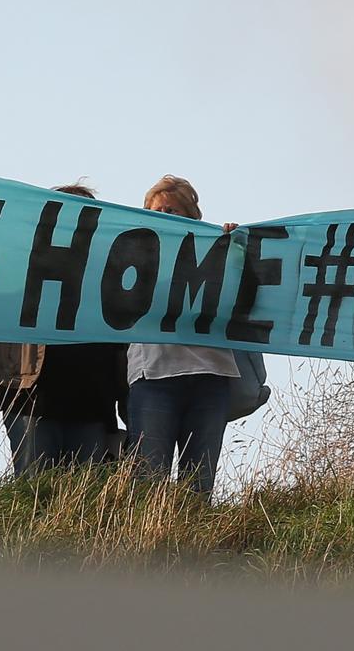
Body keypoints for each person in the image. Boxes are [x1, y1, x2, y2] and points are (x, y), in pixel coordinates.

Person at [0, 184, 128, 473]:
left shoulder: (109, 274)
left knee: (85, 505)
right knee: (34, 495)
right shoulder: (18, 270)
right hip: (31, 400)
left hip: (95, 404)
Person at [126, 175, 239, 495]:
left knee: (198, 483)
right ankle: (147, 543)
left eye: (170, 210)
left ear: (190, 216)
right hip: (154, 376)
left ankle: (193, 542)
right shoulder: (130, 254)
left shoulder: (218, 250)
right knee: (149, 479)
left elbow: (250, 288)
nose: (161, 216)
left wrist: (238, 247)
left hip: (210, 373)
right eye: (154, 210)